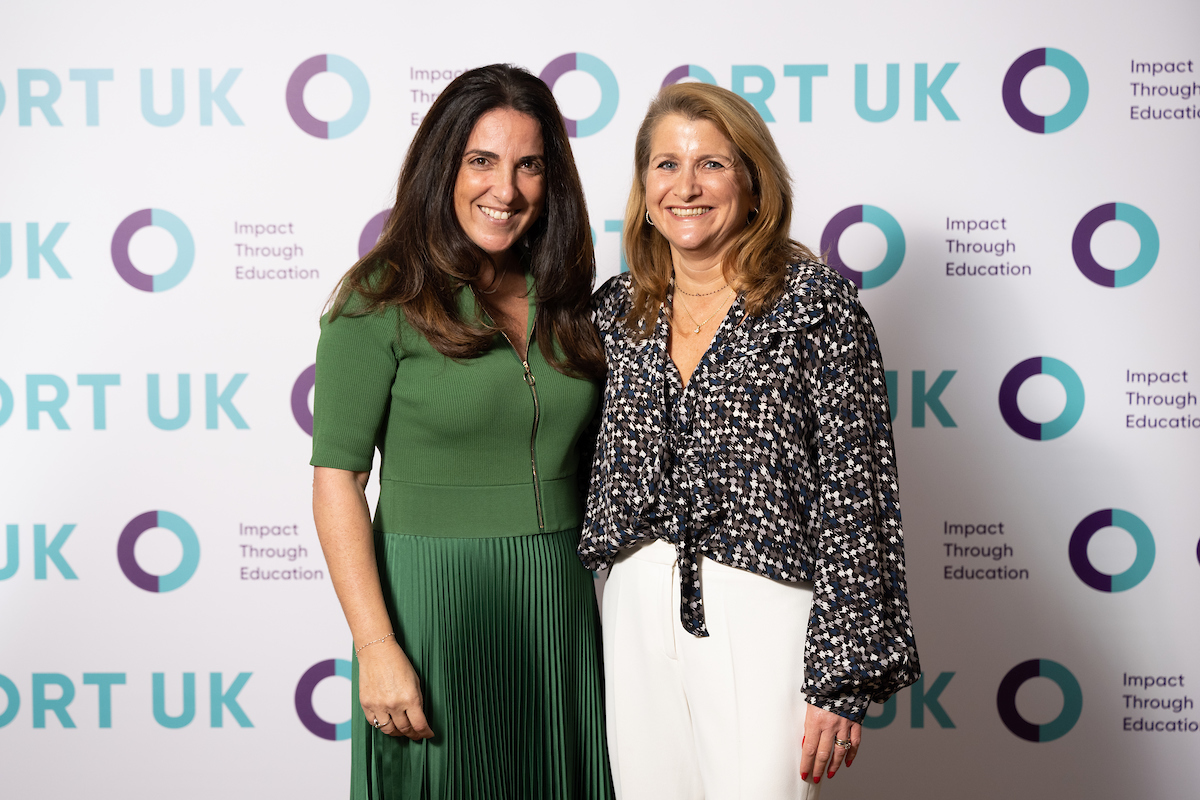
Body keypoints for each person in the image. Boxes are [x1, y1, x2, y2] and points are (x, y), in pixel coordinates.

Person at [580, 82, 920, 799]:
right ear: (644, 188)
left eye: (712, 164)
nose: (686, 186)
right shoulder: (618, 311)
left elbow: (856, 496)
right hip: (635, 602)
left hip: (762, 605)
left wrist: (841, 677)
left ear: (754, 182)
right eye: (667, 165)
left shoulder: (816, 307)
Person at [311, 64, 613, 799]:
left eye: (529, 165)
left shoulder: (568, 297)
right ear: (442, 166)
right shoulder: (379, 299)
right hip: (435, 602)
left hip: (557, 600)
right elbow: (337, 482)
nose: (505, 190)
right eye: (482, 160)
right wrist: (376, 647)